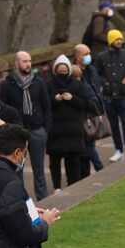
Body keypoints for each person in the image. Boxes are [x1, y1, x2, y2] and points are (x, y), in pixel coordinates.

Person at [0, 51, 52, 200]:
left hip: (37, 130)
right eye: (24, 61)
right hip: (17, 133)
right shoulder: (8, 84)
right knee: (17, 170)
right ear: (16, 63)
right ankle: (21, 202)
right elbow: (3, 108)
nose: (28, 64)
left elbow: (46, 107)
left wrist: (45, 130)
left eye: (29, 61)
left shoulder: (38, 82)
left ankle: (44, 200)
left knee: (39, 170)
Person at [46, 55, 89, 190]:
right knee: (55, 161)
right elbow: (45, 104)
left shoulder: (77, 85)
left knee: (74, 161)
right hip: (55, 129)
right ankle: (57, 186)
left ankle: (73, 185)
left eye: (65, 70)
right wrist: (55, 100)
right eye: (60, 70)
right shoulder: (49, 85)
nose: (63, 72)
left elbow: (85, 104)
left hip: (73, 129)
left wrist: (72, 98)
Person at [97, 29, 125, 162]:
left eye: (120, 39)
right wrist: (105, 82)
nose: (119, 41)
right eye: (116, 39)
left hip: (123, 94)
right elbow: (97, 73)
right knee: (114, 125)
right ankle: (119, 150)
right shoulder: (102, 57)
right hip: (109, 96)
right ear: (111, 41)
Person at [73, 44, 104, 177]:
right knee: (89, 143)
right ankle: (99, 167)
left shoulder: (92, 70)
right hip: (82, 113)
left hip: (93, 110)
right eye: (85, 54)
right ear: (77, 56)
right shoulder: (75, 73)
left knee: (90, 142)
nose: (88, 56)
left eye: (89, 53)